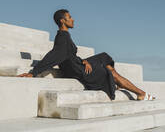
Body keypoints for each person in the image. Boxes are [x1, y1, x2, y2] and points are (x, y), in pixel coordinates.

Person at [18, 9, 155, 100]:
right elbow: (54, 55)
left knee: (103, 57)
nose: (73, 19)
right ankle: (141, 93)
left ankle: (118, 83)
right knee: (110, 72)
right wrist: (34, 72)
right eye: (69, 17)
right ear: (62, 21)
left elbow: (69, 54)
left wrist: (84, 61)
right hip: (77, 70)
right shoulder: (62, 37)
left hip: (78, 64)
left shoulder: (65, 35)